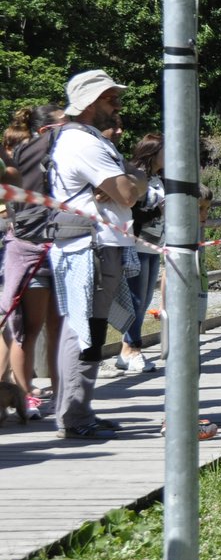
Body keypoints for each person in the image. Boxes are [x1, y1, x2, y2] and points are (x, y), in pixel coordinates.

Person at [49, 70, 146, 439]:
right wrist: (130, 176)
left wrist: (127, 177)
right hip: (93, 247)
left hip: (98, 245)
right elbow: (127, 193)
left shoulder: (87, 141)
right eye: (110, 98)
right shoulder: (85, 144)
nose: (117, 104)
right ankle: (74, 417)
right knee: (83, 331)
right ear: (90, 103)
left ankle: (79, 411)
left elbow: (128, 184)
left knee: (89, 329)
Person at [1, 104, 68, 420]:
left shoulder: (59, 155)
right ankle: (25, 396)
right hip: (31, 248)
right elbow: (13, 189)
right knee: (28, 327)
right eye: (62, 123)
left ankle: (62, 393)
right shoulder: (29, 154)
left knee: (60, 326)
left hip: (59, 246)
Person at [113, 133, 165, 373]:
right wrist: (157, 209)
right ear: (153, 152)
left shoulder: (158, 177)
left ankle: (127, 350)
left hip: (154, 244)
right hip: (136, 243)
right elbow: (132, 207)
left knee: (143, 301)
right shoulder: (136, 174)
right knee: (134, 300)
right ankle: (133, 348)